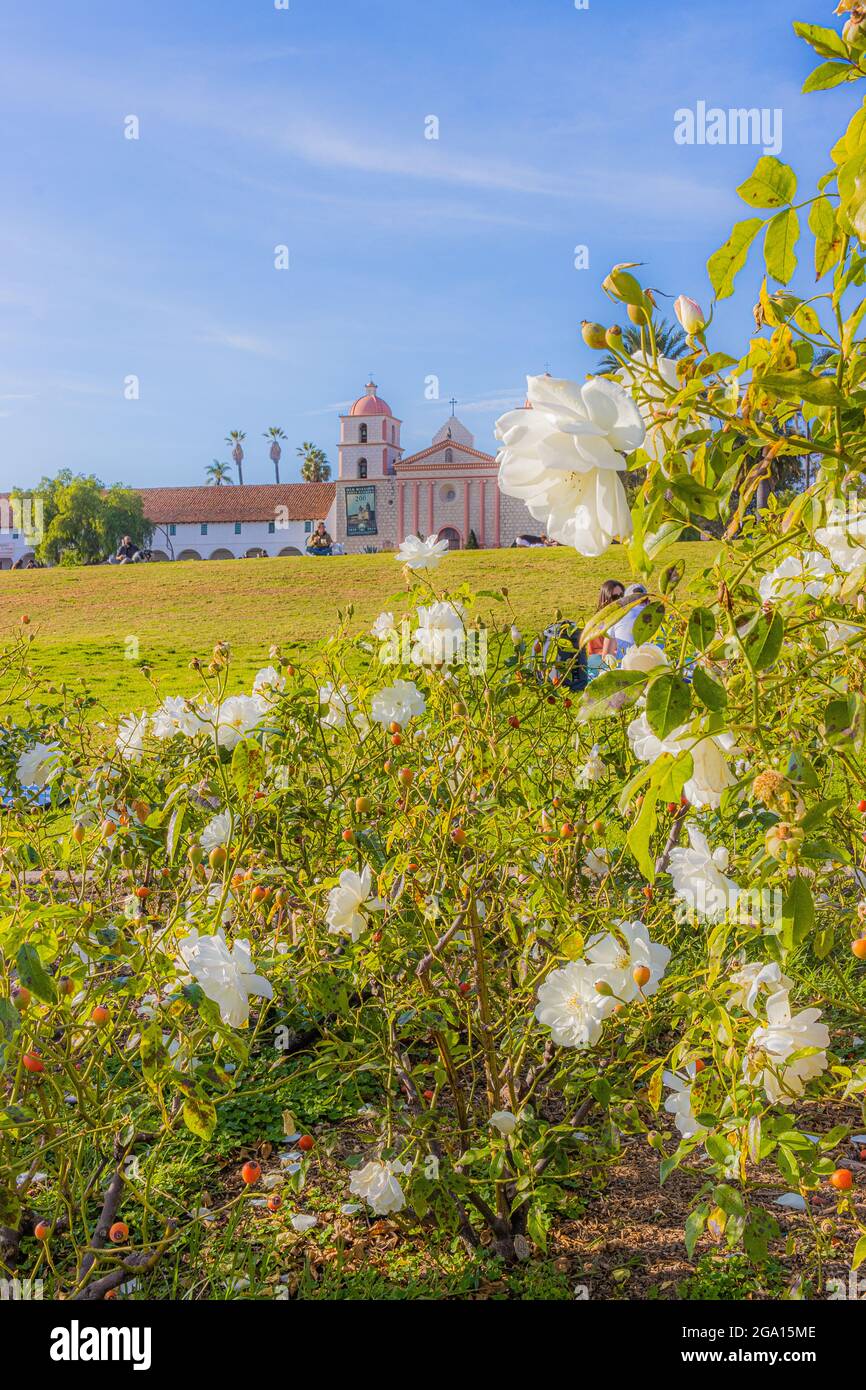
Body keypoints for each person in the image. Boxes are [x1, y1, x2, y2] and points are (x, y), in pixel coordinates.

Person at [586, 578, 625, 680]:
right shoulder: (597, 623)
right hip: (604, 661)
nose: (620, 599)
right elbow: (594, 653)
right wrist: (613, 654)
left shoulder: (628, 617)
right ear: (606, 599)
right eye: (615, 597)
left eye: (622, 595)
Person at [608, 583, 649, 661]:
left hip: (625, 670)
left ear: (625, 602)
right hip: (658, 670)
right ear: (648, 601)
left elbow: (607, 655)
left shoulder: (616, 617)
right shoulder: (666, 619)